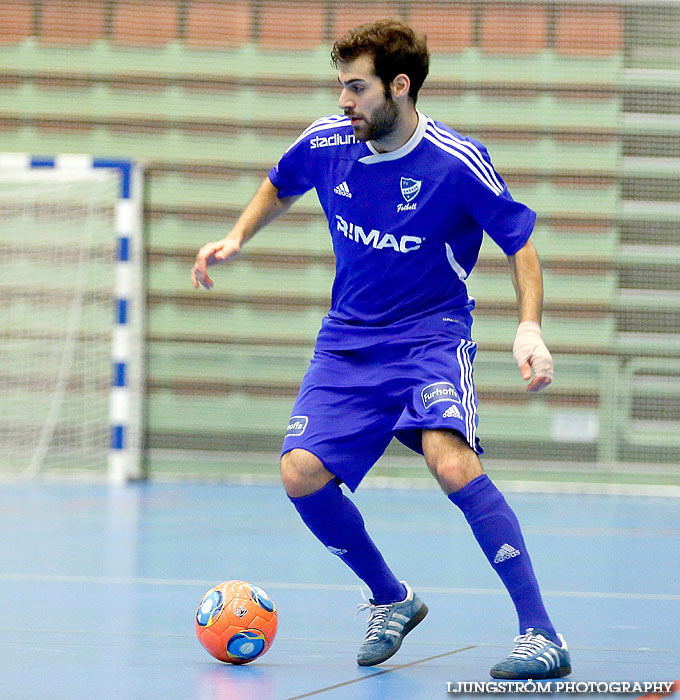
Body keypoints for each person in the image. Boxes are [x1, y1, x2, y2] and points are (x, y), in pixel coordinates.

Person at [192, 20, 571, 680]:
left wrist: (529, 327)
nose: (344, 100)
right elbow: (280, 183)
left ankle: (541, 634)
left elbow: (520, 246)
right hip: (347, 343)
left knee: (450, 462)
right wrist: (236, 237)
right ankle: (391, 598)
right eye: (340, 85)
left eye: (356, 87)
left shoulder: (456, 162)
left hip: (429, 339)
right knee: (300, 472)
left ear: (399, 87)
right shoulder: (327, 143)